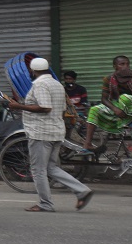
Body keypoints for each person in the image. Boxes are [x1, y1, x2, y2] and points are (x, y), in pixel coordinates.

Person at [7, 58, 94, 212]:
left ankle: (45, 204)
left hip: (41, 132)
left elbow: (45, 107)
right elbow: (60, 109)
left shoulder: (40, 85)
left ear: (33, 71)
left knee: (38, 169)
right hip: (55, 130)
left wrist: (18, 106)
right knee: (51, 168)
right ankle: (81, 190)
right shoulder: (57, 84)